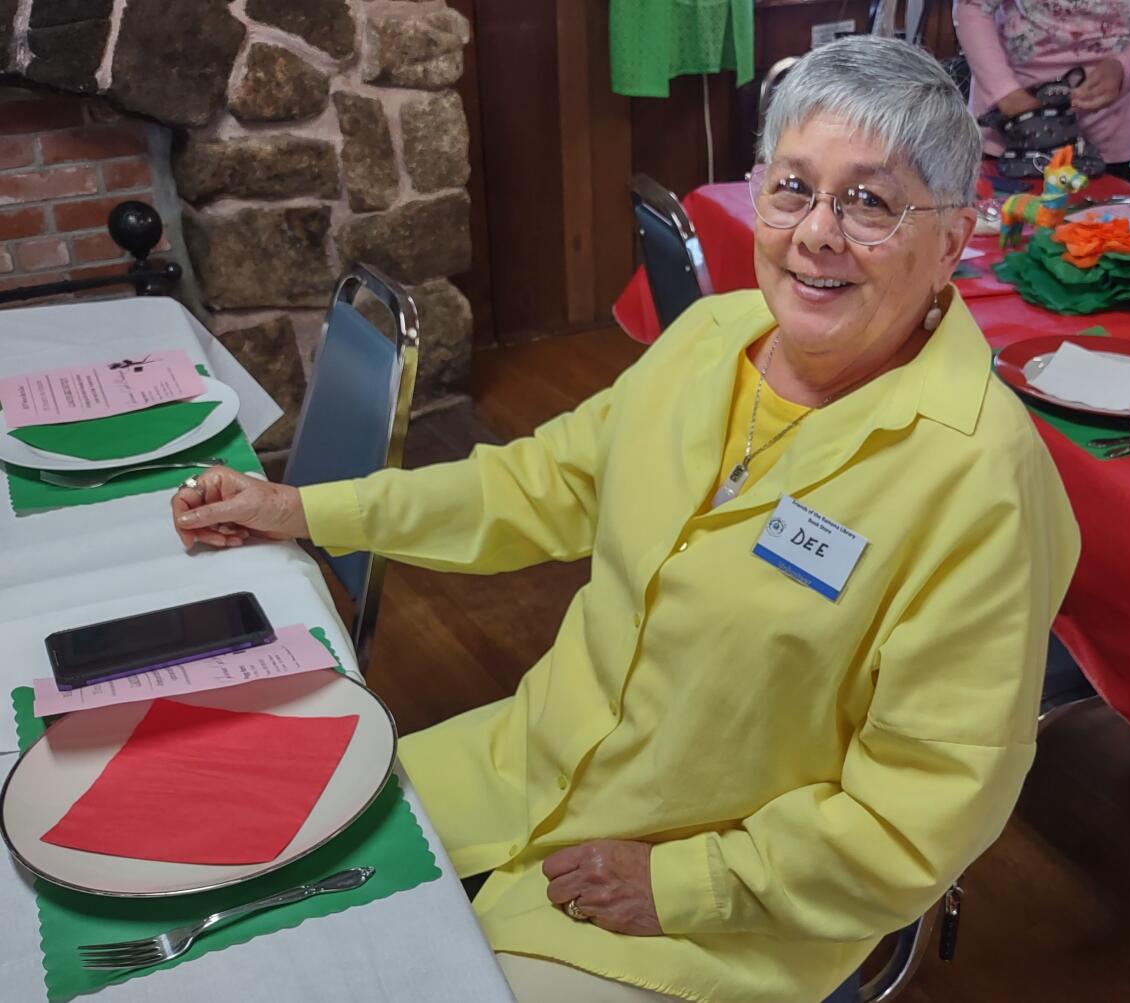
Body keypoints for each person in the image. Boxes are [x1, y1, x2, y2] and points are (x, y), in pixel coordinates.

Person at [171, 36, 1080, 1003]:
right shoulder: (711, 338)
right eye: (792, 187)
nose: (818, 232)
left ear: (951, 241)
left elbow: (921, 807)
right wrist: (305, 508)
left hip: (718, 906)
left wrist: (685, 883)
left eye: (869, 201)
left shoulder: (980, 479)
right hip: (520, 769)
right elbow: (532, 486)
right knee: (234, 879)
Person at [955, 0, 1130, 167]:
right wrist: (1004, 91)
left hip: (1106, 128)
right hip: (1008, 125)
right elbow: (972, 6)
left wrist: (1126, 67)